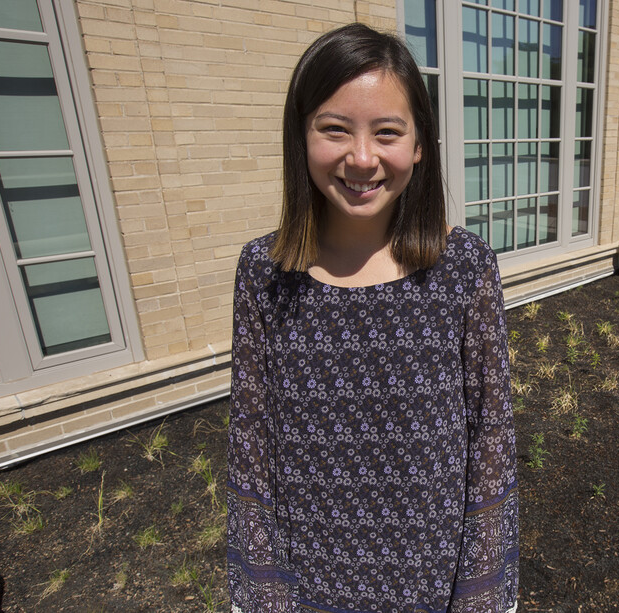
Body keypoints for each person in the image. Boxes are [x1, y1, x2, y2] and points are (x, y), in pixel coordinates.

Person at [226, 23, 519, 613]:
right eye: (335, 129)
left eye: (388, 132)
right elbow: (251, 439)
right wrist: (264, 591)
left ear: (419, 146)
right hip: (307, 586)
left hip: (433, 587)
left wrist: (481, 595)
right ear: (301, 136)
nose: (362, 158)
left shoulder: (461, 268)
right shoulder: (264, 271)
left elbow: (491, 437)